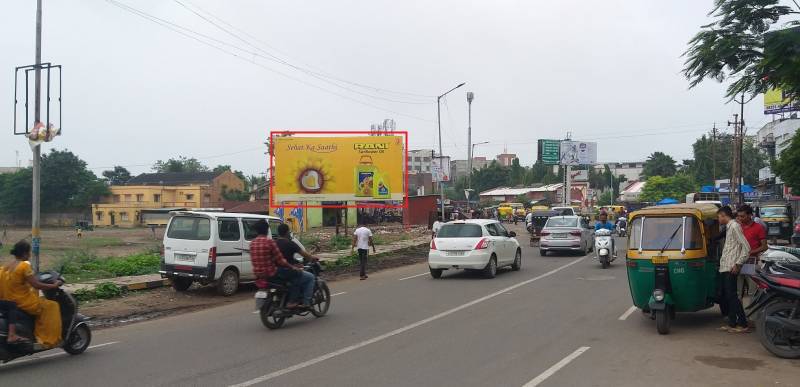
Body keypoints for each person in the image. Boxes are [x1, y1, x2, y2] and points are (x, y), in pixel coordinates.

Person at [0, 241, 62, 348]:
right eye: (28, 253)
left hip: (8, 300)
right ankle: (45, 338)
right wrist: (54, 286)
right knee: (52, 306)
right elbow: (36, 285)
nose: (29, 255)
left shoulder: (5, 267)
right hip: (23, 302)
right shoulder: (24, 266)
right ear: (24, 254)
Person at [248, 221, 305, 309]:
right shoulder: (269, 242)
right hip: (271, 274)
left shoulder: (252, 243)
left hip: (258, 275)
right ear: (267, 230)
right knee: (297, 275)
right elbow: (281, 260)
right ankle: (292, 301)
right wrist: (293, 267)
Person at [717, 206, 751, 333]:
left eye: (718, 216)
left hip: (732, 267)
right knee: (728, 296)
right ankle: (732, 323)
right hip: (726, 266)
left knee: (732, 296)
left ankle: (743, 324)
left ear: (723, 215)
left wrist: (738, 264)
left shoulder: (735, 226)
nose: (718, 219)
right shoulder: (729, 227)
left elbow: (746, 247)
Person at [273, 224, 316, 308]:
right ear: (287, 233)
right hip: (288, 271)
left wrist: (296, 263)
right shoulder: (290, 243)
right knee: (310, 277)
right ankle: (306, 302)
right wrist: (312, 258)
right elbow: (304, 254)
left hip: (276, 272)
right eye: (289, 232)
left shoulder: (274, 243)